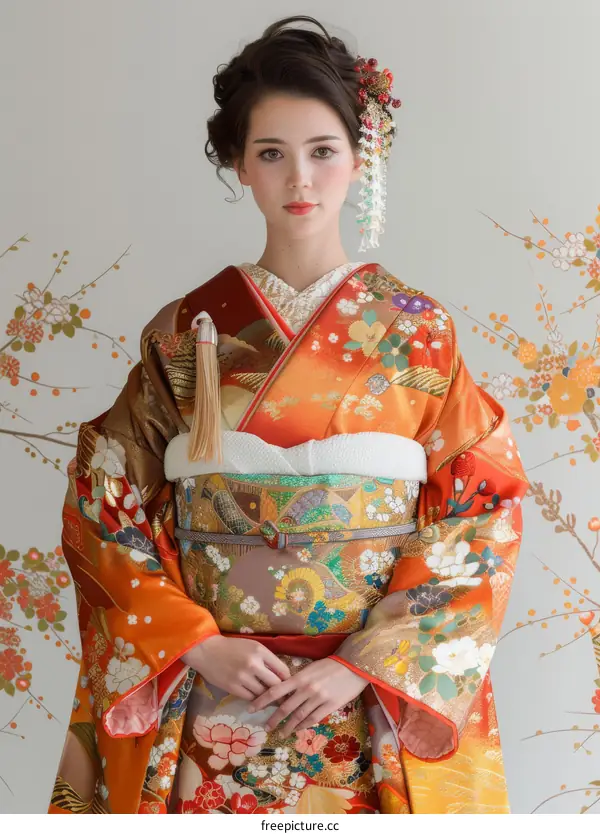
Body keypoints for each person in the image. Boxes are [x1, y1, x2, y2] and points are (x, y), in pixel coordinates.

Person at [50, 15, 527, 815]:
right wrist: (197, 644)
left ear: (359, 158)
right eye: (271, 153)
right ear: (238, 163)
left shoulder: (419, 331)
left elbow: (483, 506)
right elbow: (104, 495)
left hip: (364, 695)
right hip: (215, 691)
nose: (299, 179)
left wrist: (366, 662)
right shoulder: (186, 331)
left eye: (322, 151)